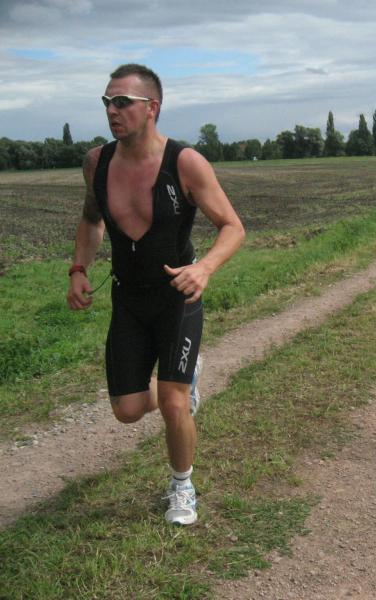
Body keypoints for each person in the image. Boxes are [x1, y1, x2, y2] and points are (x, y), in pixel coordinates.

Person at [66, 64, 245, 524]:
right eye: (107, 102)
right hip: (128, 298)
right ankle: (185, 382)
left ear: (152, 108)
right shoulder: (96, 163)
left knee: (172, 402)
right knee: (127, 410)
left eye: (122, 101)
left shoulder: (184, 162)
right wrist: (79, 269)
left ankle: (182, 487)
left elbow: (232, 226)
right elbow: (91, 219)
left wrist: (204, 268)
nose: (112, 110)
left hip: (176, 299)